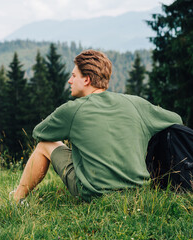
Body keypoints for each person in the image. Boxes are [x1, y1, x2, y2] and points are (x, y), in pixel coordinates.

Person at [11, 49, 182, 203]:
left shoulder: (73, 110)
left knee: (44, 145)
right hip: (138, 191)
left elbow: (39, 133)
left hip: (93, 193)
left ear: (86, 80)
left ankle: (17, 198)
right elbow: (176, 119)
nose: (70, 81)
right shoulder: (135, 103)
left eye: (74, 76)